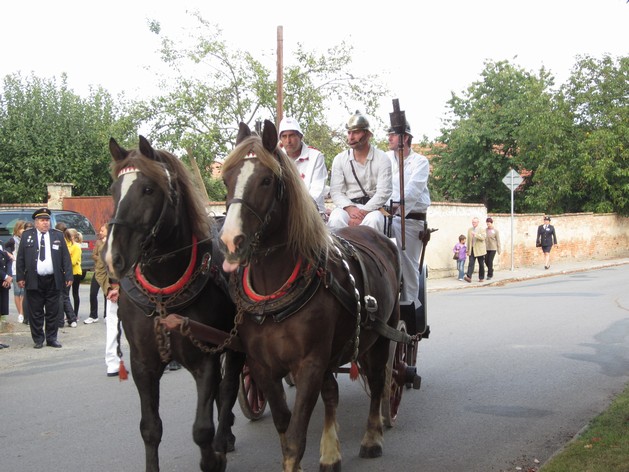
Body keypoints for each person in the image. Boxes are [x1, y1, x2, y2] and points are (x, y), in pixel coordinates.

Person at [386, 119, 431, 308]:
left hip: (410, 222)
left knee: (409, 268)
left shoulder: (420, 162)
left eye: (393, 135)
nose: (389, 138)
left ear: (404, 138)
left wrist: (394, 207)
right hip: (385, 216)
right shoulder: (385, 158)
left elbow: (412, 190)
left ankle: (411, 307)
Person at [16, 208, 73, 349]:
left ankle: (52, 338)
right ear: (36, 222)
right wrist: (20, 277)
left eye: (47, 220)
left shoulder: (57, 235)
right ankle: (38, 339)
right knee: (35, 311)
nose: (45, 223)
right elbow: (20, 258)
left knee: (53, 311)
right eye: (42, 220)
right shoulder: (27, 235)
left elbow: (65, 257)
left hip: (53, 279)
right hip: (34, 279)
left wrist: (68, 275)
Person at [328, 111, 392, 232]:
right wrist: (350, 209)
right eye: (349, 132)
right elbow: (336, 191)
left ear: (367, 134)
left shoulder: (382, 158)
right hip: (348, 207)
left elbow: (384, 191)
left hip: (373, 209)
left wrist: (364, 212)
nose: (351, 137)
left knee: (374, 220)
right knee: (336, 219)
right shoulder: (340, 159)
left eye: (356, 132)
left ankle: (370, 251)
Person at [278, 116, 328, 216]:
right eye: (284, 136)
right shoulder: (276, 158)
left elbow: (316, 192)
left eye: (292, 135)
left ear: (300, 136)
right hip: (284, 214)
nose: (288, 141)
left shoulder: (316, 156)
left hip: (312, 212)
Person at [93, 224, 124, 376]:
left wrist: (120, 289)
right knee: (113, 327)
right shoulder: (104, 247)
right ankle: (113, 363)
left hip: (134, 292)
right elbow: (99, 271)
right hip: (113, 293)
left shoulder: (133, 244)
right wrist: (110, 289)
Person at [85, 224, 107, 324]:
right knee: (93, 293)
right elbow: (94, 255)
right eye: (100, 231)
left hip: (107, 272)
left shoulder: (111, 242)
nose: (100, 232)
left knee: (107, 294)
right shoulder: (98, 242)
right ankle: (93, 315)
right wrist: (100, 259)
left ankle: (107, 315)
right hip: (98, 271)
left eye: (102, 231)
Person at [4, 220, 26, 323]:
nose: (23, 231)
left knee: (24, 292)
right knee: (18, 292)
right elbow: (4, 249)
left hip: (25, 268)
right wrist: (9, 255)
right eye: (22, 228)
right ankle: (20, 313)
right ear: (17, 229)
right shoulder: (13, 240)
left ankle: (23, 312)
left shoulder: (27, 239)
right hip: (15, 269)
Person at [58, 228, 80, 328]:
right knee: (61, 296)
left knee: (64, 296)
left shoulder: (74, 246)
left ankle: (71, 318)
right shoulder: (64, 245)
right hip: (61, 273)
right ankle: (63, 319)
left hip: (70, 273)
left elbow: (71, 262)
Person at [463, 216, 487, 283]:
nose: (473, 223)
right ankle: (469, 277)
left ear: (478, 222)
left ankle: (481, 278)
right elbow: (468, 240)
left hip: (480, 250)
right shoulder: (470, 229)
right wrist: (467, 249)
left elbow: (483, 237)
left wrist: (475, 235)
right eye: (472, 222)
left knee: (481, 264)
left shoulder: (482, 229)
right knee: (471, 263)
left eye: (475, 222)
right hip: (472, 249)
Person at [0, 238, 12, 346]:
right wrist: (5, 276)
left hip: (3, 283)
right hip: (2, 278)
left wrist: (8, 276)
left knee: (0, 312)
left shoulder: (1, 243)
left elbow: (8, 259)